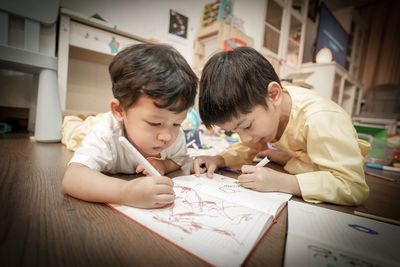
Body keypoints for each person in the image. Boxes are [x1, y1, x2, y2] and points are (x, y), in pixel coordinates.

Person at [193, 47, 370, 206]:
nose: (244, 137)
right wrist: (219, 159)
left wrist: (281, 182)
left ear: (274, 95)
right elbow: (248, 146)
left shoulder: (320, 117)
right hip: (306, 164)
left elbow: (352, 185)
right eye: (234, 131)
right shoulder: (268, 111)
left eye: (246, 126)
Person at [62, 43, 198, 209]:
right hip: (86, 129)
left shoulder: (174, 135)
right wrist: (125, 192)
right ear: (119, 110)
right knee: (72, 131)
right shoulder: (106, 134)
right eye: (155, 123)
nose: (167, 136)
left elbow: (179, 159)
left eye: (177, 123)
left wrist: (163, 165)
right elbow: (73, 177)